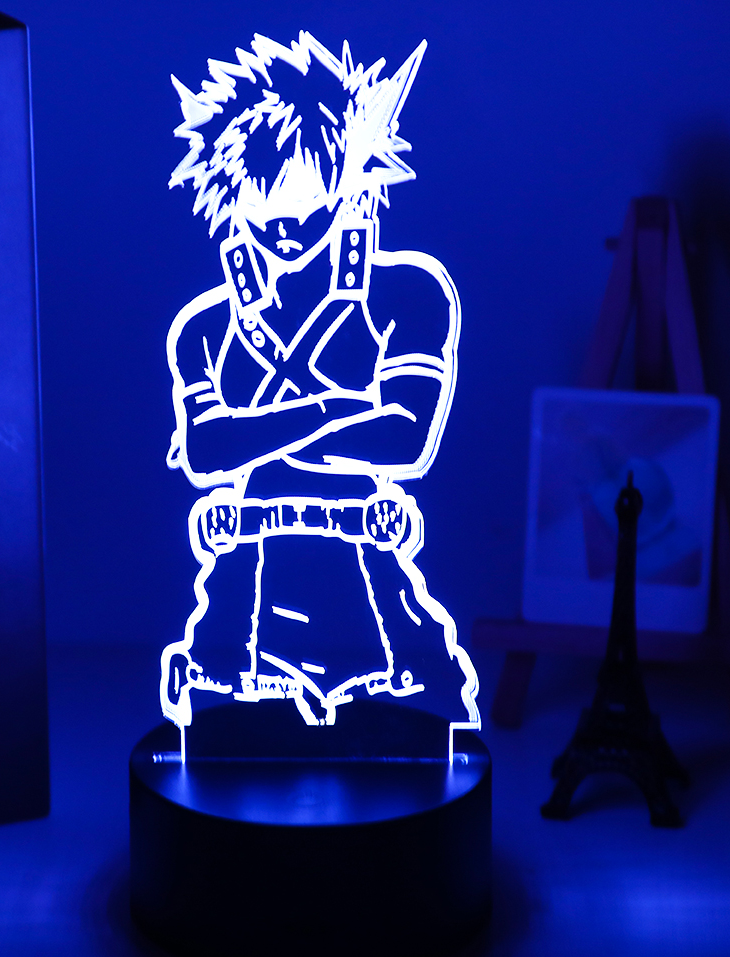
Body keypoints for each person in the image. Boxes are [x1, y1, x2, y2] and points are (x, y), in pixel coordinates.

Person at [161, 32, 479, 752]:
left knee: (416, 759)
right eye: (265, 210)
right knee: (223, 765)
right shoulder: (206, 327)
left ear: (351, 184)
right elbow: (206, 454)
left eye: (310, 205)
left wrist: (258, 431)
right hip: (244, 575)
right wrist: (337, 408)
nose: (287, 228)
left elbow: (405, 439)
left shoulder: (408, 290)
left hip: (371, 567)